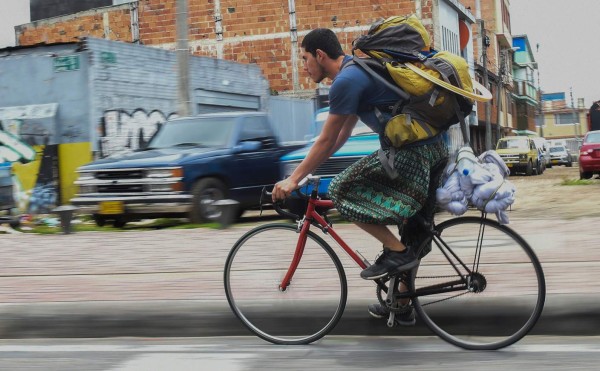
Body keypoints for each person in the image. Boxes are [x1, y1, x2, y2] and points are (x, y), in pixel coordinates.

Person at [271, 27, 448, 325]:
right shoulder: (357, 70)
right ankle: (402, 302)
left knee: (341, 190)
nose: (304, 66)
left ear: (320, 55)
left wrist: (292, 180)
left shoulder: (346, 81)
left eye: (304, 59)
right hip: (435, 151)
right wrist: (304, 172)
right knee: (413, 227)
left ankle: (396, 252)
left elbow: (325, 140)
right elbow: (340, 136)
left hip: (413, 155)